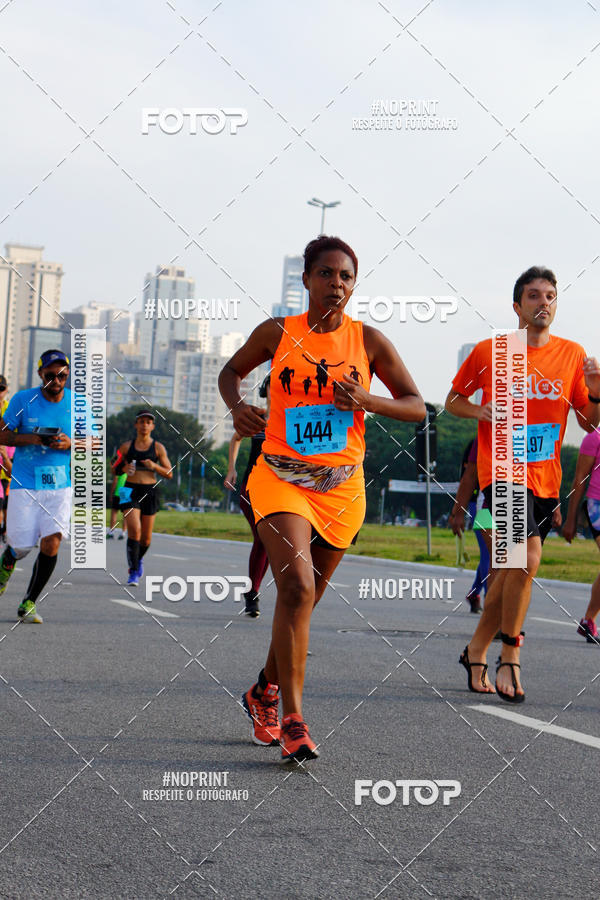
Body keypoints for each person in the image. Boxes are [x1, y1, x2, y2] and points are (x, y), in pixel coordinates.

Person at [219, 235, 426, 761]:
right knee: (296, 588)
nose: (337, 283)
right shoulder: (277, 332)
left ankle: (262, 690)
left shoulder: (369, 342)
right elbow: (230, 373)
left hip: (342, 487)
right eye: (328, 273)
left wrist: (367, 398)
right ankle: (292, 720)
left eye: (347, 276)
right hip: (280, 476)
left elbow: (416, 406)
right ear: (307, 279)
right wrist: (238, 406)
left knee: (301, 602)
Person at [446, 266, 600, 701]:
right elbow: (454, 399)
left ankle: (476, 649)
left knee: (513, 570)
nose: (543, 303)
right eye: (533, 296)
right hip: (501, 471)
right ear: (517, 306)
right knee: (525, 559)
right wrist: (479, 413)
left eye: (550, 295)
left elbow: (588, 422)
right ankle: (510, 654)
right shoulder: (491, 351)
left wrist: (595, 391)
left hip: (544, 478)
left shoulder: (572, 354)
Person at [0, 350, 72, 623]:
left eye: (62, 375)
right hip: (25, 482)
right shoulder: (22, 399)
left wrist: (70, 443)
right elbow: (3, 434)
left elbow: (95, 442)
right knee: (21, 546)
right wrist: (32, 438)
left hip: (59, 484)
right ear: (40, 374)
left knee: (52, 541)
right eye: (51, 375)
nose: (57, 380)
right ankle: (8, 560)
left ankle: (29, 602)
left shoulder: (78, 403)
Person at [225, 375, 271, 617]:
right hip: (252, 488)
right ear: (266, 391)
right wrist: (231, 468)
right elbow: (236, 438)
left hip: (281, 491)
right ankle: (252, 593)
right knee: (263, 538)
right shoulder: (258, 417)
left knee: (273, 545)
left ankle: (253, 591)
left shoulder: (296, 419)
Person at [116, 411, 173, 586]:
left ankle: (137, 560)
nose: (144, 425)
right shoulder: (126, 447)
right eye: (141, 421)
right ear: (136, 425)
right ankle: (133, 572)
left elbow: (169, 473)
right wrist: (124, 468)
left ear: (152, 426)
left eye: (148, 422)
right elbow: (114, 467)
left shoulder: (158, 448)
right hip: (129, 490)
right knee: (134, 529)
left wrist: (154, 465)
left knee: (146, 539)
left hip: (150, 490)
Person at [562, 429, 600, 643]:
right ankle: (588, 620)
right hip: (597, 506)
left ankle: (588, 620)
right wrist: (571, 518)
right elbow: (579, 479)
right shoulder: (594, 438)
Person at [449, 438, 491, 613]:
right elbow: (467, 477)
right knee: (489, 554)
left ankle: (475, 593)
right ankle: (492, 607)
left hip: (514, 501)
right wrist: (458, 511)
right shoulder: (480, 441)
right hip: (480, 503)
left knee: (501, 557)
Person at [106, 450, 126, 540]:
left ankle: (112, 532)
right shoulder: (128, 469)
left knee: (114, 513)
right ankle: (123, 532)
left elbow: (115, 482)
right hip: (126, 492)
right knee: (125, 514)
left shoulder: (118, 469)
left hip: (118, 492)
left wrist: (111, 493)